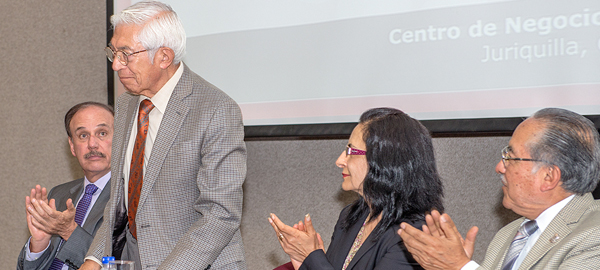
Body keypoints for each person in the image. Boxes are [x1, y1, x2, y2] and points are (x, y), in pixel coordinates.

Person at [80, 1, 247, 270]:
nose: (116, 65)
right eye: (114, 52)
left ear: (164, 57)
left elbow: (220, 214)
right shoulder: (126, 104)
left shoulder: (216, 110)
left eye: (126, 54)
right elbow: (121, 199)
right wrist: (94, 259)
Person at [398, 108, 600, 270]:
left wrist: (461, 267)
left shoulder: (594, 234)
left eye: (510, 158)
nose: (499, 167)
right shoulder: (509, 234)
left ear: (549, 176)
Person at [269, 107, 444, 270]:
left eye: (351, 152)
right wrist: (304, 262)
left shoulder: (415, 234)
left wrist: (313, 257)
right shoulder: (351, 215)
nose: (339, 161)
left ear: (384, 161)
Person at [17, 102, 114, 270]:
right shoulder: (59, 194)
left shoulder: (131, 197)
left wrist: (69, 231)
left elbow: (117, 261)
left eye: (102, 133)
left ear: (120, 139)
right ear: (72, 146)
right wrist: (39, 245)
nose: (92, 144)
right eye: (83, 135)